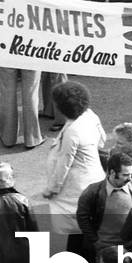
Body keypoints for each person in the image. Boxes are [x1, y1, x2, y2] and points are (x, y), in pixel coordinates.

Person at [43, 81, 107, 251]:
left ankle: (81, 258)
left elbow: (64, 163)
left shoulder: (73, 131)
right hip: (95, 176)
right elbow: (102, 140)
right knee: (89, 222)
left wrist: (52, 189)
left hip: (77, 186)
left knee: (79, 225)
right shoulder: (90, 116)